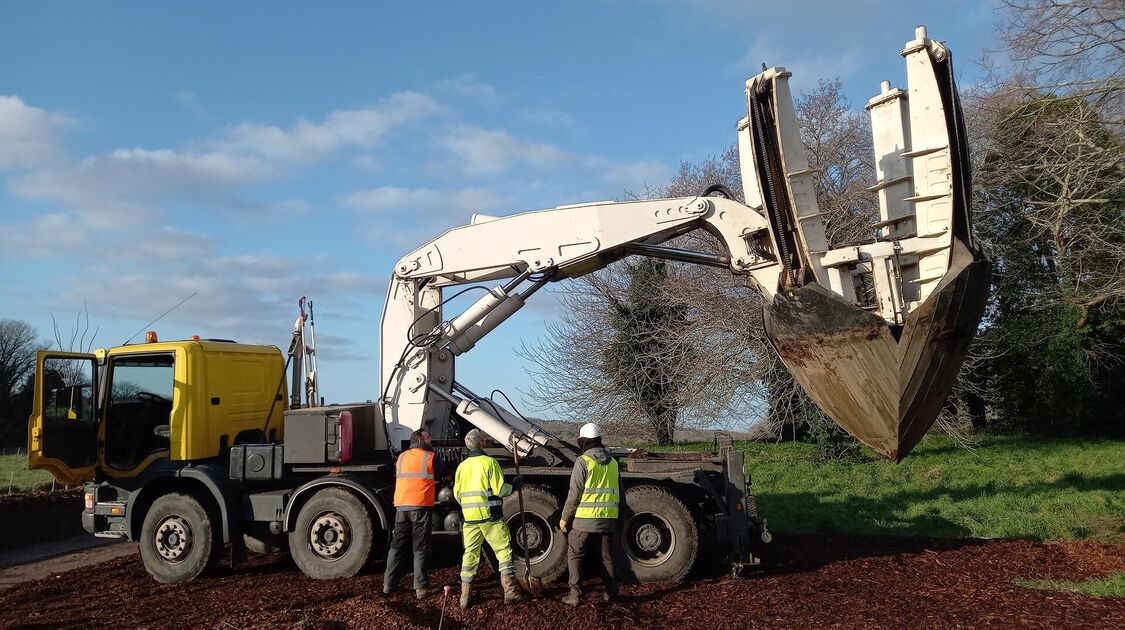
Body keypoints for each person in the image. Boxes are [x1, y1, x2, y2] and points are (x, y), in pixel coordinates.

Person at [454, 429, 527, 609]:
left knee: (470, 555)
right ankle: (510, 592)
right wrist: (515, 485)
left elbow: (457, 494)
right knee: (503, 551)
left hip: (470, 519)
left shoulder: (461, 467)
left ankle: (465, 595)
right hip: (490, 517)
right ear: (482, 443)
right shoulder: (489, 463)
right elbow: (500, 490)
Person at [558, 422, 621, 606]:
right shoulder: (613, 463)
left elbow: (574, 493)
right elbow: (621, 493)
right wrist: (621, 518)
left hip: (584, 521)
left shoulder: (583, 462)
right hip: (608, 520)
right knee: (607, 557)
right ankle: (611, 594)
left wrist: (564, 517)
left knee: (575, 553)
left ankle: (575, 595)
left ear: (583, 441)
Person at [383, 428, 442, 600]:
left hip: (401, 507)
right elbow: (443, 469)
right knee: (420, 547)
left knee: (397, 546)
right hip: (420, 506)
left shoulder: (401, 457)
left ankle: (388, 585)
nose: (431, 439)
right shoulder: (429, 457)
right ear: (421, 440)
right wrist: (432, 451)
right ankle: (421, 588)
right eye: (428, 437)